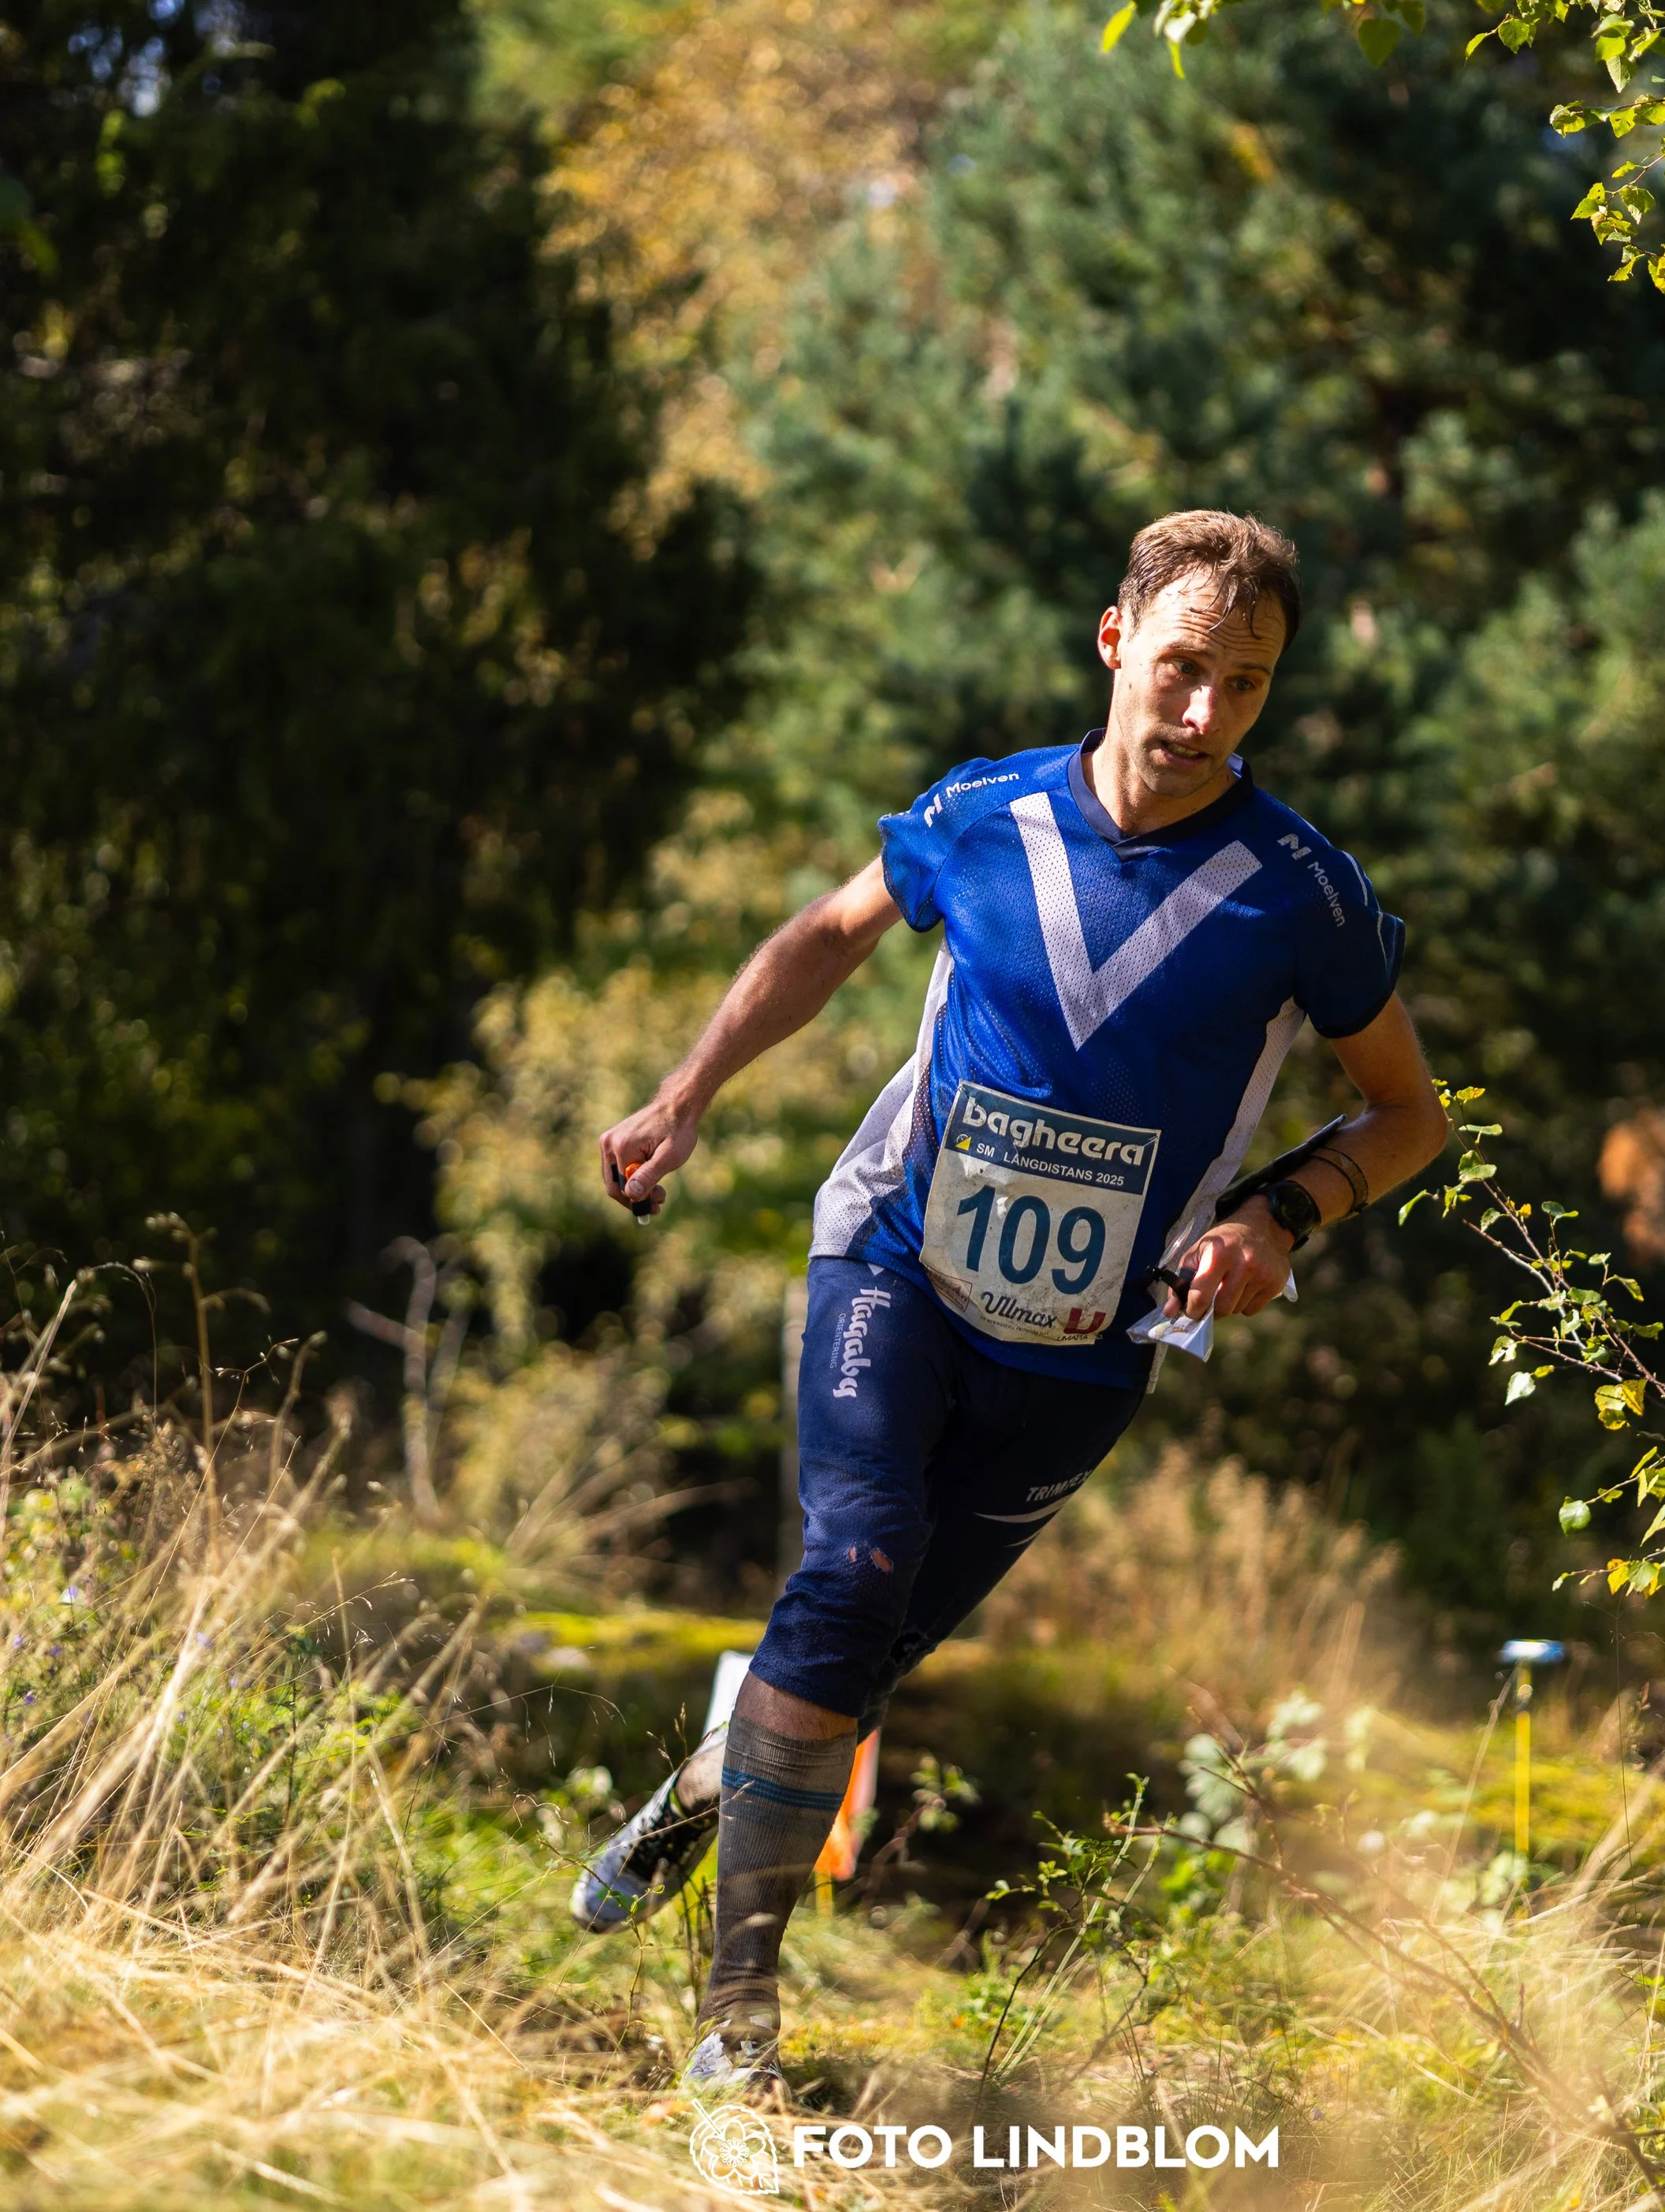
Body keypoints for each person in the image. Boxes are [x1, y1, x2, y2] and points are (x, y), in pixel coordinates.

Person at [572, 509, 1447, 2088]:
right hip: (893, 1259)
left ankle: (708, 1785)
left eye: (1244, 685)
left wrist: (1280, 1216)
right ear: (1113, 640)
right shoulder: (983, 813)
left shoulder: (1299, 892)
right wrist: (685, 1093)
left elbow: (1405, 1113)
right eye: (1180, 666)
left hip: (1083, 1343)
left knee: (862, 1652)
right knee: (849, 1569)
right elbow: (829, 933)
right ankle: (737, 2023)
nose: (1201, 715)